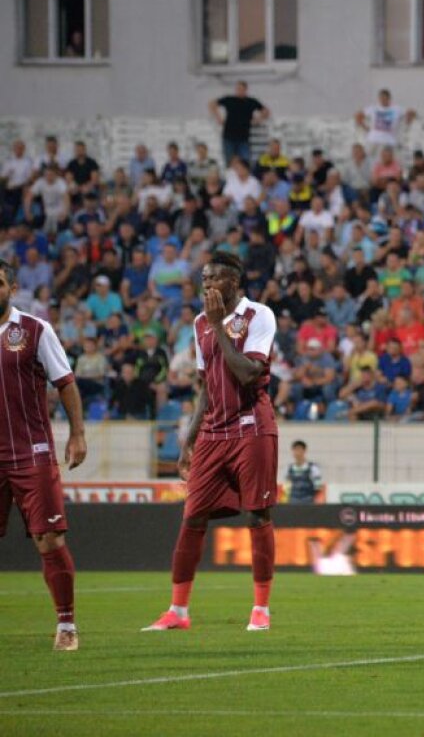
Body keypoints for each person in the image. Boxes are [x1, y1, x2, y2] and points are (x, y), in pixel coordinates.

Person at [143, 252, 279, 633]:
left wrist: (221, 328)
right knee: (192, 516)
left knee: (258, 514)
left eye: (215, 278)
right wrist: (189, 438)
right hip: (213, 432)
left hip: (252, 424)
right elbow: (207, 386)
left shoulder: (258, 316)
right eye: (204, 279)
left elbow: (250, 373)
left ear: (234, 283)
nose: (207, 285)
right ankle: (178, 612)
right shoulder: (200, 322)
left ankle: (260, 610)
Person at [0, 260, 87, 650]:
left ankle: (66, 625)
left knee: (49, 540)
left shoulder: (35, 330)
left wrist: (78, 435)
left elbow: (65, 382)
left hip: (32, 454)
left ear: (12, 288)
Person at [208, 81, 269, 167]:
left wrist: (258, 119)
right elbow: (211, 104)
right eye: (237, 89)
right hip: (228, 137)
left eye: (241, 89)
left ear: (245, 89)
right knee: (229, 163)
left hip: (243, 139)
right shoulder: (229, 99)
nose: (239, 90)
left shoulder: (251, 102)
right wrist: (218, 117)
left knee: (245, 163)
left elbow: (266, 111)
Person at [355, 88, 415, 160]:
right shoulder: (374, 108)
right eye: (381, 98)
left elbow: (411, 112)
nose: (383, 100)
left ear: (389, 98)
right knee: (365, 157)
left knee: (387, 159)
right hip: (373, 138)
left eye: (384, 98)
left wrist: (409, 120)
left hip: (388, 139)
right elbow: (358, 115)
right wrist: (365, 127)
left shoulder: (396, 109)